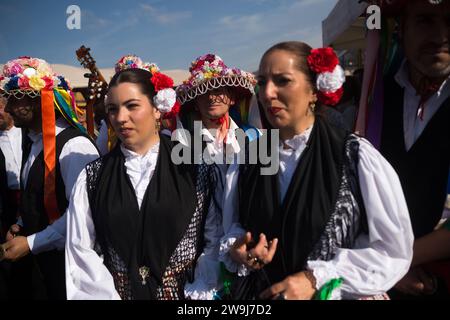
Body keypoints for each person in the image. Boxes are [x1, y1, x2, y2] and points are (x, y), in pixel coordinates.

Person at [223, 41, 414, 300]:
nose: (267, 93)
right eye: (262, 81)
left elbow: (392, 251)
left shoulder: (353, 155)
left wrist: (316, 279)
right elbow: (234, 224)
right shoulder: (247, 158)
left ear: (314, 89)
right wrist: (239, 249)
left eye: (282, 80)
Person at [65, 64, 214, 300]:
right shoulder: (93, 177)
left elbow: (212, 238)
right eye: (113, 109)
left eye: (132, 106)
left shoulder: (194, 166)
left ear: (157, 108)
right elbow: (81, 252)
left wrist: (202, 291)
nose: (120, 118)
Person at [365, 0, 450, 298]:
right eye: (425, 20)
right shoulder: (376, 98)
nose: (440, 36)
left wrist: (392, 264)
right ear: (400, 29)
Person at [0, 57, 100, 299]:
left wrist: (32, 242)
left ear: (38, 101)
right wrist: (21, 224)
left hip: (70, 269)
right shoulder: (33, 142)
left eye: (16, 99)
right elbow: (35, 195)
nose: (9, 108)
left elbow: (83, 216)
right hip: (42, 265)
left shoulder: (74, 146)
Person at [174, 53, 258, 299]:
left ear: (231, 98)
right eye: (204, 91)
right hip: (202, 255)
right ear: (195, 102)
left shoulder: (254, 138)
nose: (213, 97)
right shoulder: (183, 144)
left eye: (220, 90)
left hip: (246, 251)